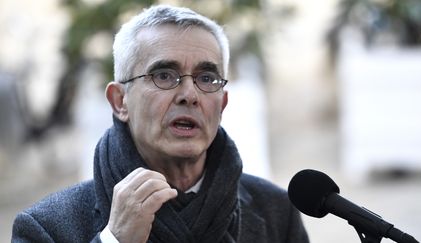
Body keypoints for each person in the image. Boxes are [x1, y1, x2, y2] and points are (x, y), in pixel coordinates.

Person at [12, 4, 309, 243]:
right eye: (164, 76)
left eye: (207, 78)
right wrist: (115, 240)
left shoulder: (276, 212)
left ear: (223, 103)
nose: (189, 95)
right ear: (120, 101)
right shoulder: (46, 228)